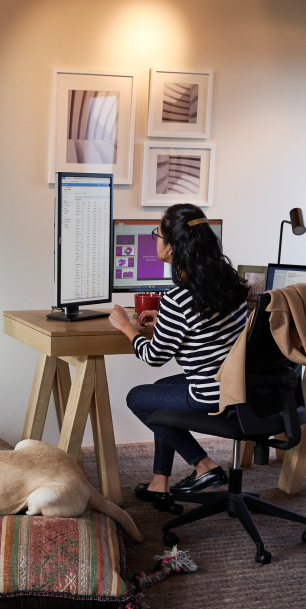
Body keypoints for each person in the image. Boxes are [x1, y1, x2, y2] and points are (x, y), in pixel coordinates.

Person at [107, 203, 249, 505]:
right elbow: (209, 328)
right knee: (159, 392)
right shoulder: (227, 279)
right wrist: (165, 320)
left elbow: (153, 357)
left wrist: (126, 327)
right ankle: (160, 483)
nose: (155, 240)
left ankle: (204, 466)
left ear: (172, 247)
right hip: (238, 384)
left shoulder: (178, 298)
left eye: (157, 234)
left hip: (211, 393)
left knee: (137, 398)